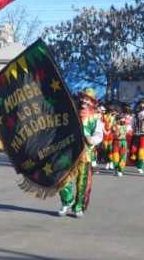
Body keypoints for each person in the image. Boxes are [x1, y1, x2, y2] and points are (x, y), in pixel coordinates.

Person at [58, 87, 103, 219]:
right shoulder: (71, 113)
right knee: (62, 179)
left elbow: (99, 135)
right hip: (68, 152)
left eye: (87, 99)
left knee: (82, 182)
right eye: (83, 98)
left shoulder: (95, 118)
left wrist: (92, 139)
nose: (84, 101)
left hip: (84, 152)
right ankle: (67, 201)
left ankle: (78, 206)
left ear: (92, 102)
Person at [130, 99, 144, 174]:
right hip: (136, 134)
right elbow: (131, 123)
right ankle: (135, 161)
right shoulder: (135, 114)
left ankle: (140, 166)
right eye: (141, 104)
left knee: (143, 151)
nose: (142, 106)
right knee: (133, 150)